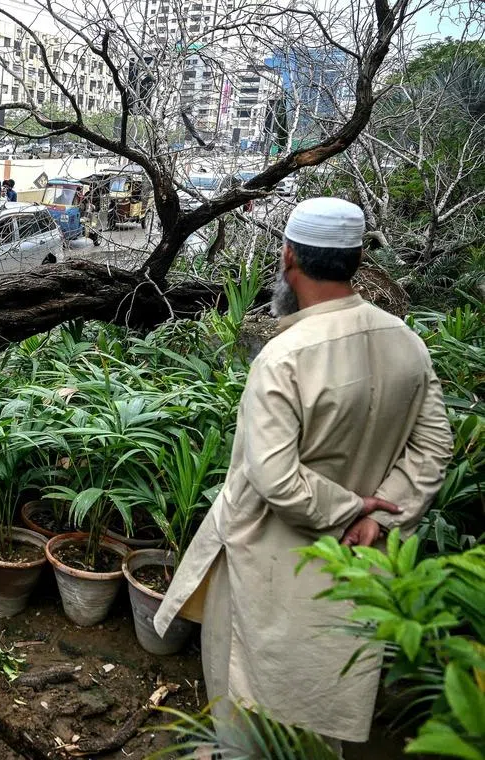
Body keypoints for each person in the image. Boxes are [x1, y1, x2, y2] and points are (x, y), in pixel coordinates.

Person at [153, 197, 453, 755]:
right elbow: (435, 443)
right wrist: (383, 513)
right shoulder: (406, 342)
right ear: (358, 260)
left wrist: (351, 508)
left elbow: (276, 480)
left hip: (268, 557)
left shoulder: (285, 355)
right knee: (323, 690)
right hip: (354, 562)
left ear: (288, 258)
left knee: (247, 693)